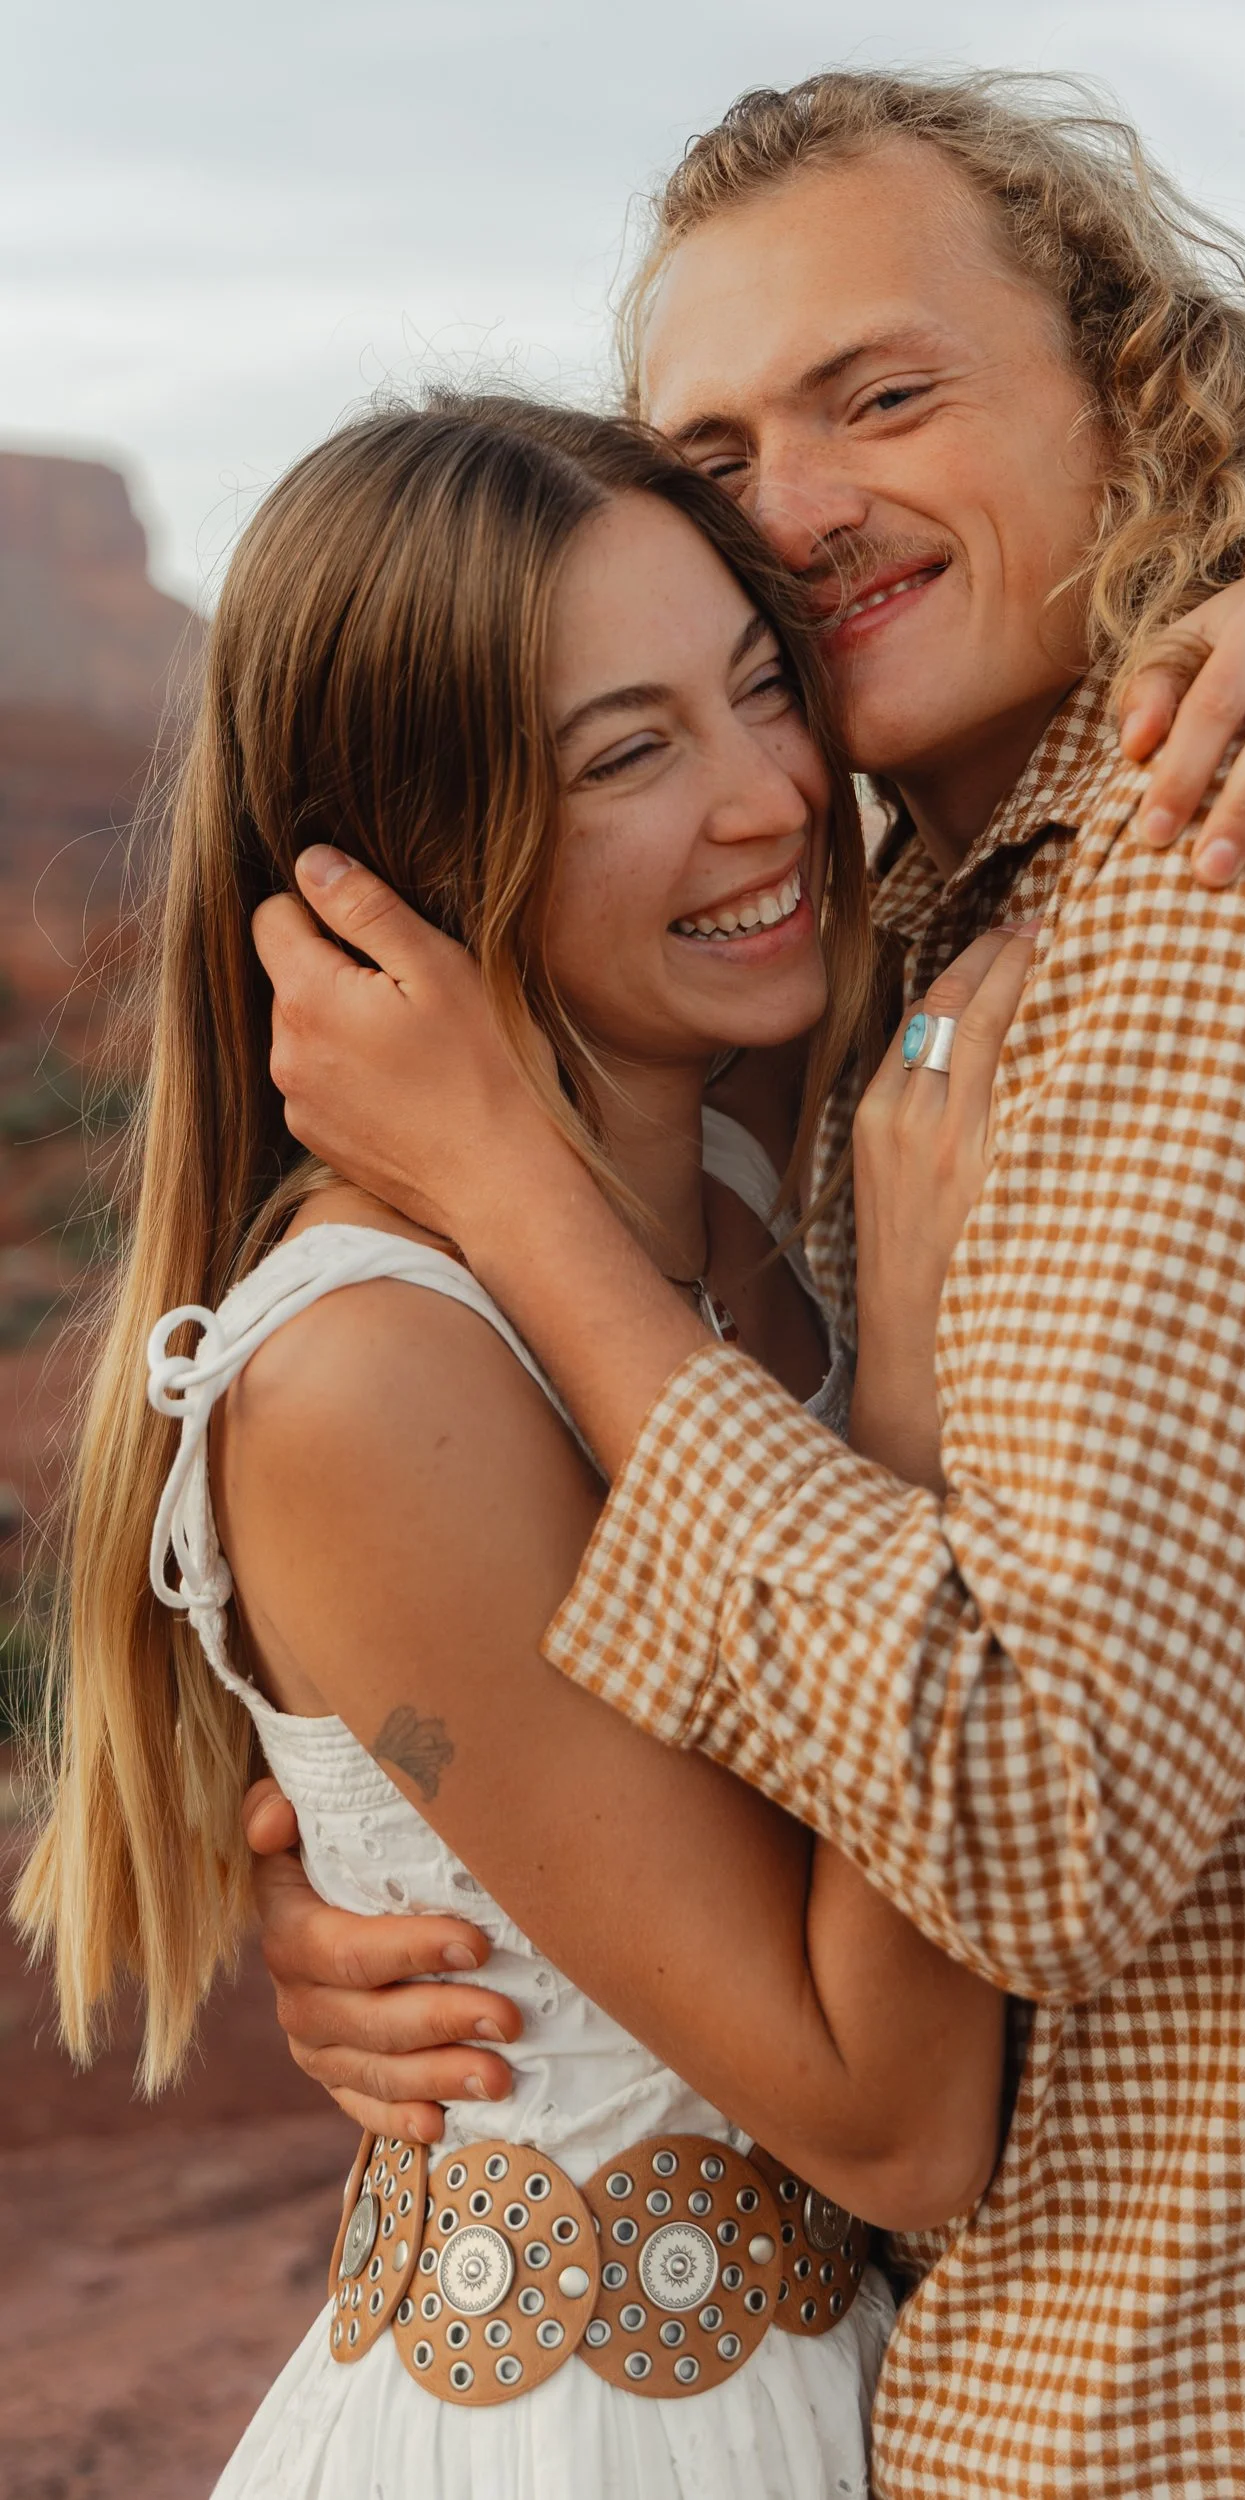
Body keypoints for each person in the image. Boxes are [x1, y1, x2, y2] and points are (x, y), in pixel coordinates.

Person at [244, 71, 1245, 2500]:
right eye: (718, 444)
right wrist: (463, 1893)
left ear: (1134, 390)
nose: (792, 507)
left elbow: (1018, 1829)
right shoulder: (932, 939)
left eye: (881, 391)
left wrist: (525, 1208)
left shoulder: (1243, 877)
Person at [14, 389, 1061, 2497]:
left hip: (865, 2396)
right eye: (625, 752)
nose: (770, 796)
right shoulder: (369, 1373)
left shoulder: (763, 1186)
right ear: (394, 853)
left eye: (761, 688)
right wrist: (919, 1397)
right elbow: (889, 2103)